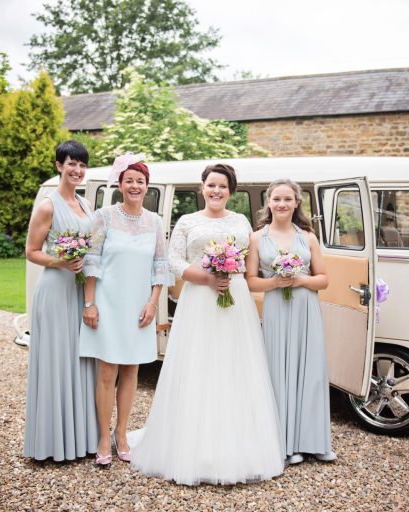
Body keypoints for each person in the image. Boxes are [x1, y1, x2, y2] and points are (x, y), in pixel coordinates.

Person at [130, 163, 284, 485]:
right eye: (212, 185)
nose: (217, 191)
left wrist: (231, 273)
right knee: (199, 365)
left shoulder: (241, 221)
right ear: (202, 188)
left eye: (223, 187)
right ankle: (193, 449)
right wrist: (208, 277)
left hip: (235, 299)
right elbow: (174, 260)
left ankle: (239, 446)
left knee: (235, 366)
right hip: (199, 299)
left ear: (231, 191)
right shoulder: (187, 221)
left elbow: (246, 259)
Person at [79, 154, 172, 467]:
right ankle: (104, 437)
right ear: (120, 184)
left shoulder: (155, 222)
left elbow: (160, 266)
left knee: (132, 371)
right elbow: (90, 261)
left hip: (139, 307)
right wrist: (90, 303)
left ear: (147, 187)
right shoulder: (104, 217)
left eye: (140, 181)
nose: (135, 185)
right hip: (107, 304)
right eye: (129, 180)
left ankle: (122, 434)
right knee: (107, 372)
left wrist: (152, 303)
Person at [245, 179, 336, 465]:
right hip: (276, 309)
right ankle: (286, 445)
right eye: (276, 199)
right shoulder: (257, 238)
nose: (282, 204)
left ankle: (315, 441)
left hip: (306, 309)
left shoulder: (308, 237)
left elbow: (323, 279)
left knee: (311, 372)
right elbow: (250, 282)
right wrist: (275, 282)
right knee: (279, 373)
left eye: (288, 199)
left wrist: (299, 279)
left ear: (297, 202)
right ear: (268, 203)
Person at [23, 140, 98, 461]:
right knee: (56, 361)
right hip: (55, 291)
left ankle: (81, 439)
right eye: (71, 164)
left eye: (82, 165)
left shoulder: (86, 205)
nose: (77, 170)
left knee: (81, 361)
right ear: (59, 166)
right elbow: (31, 251)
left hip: (79, 290)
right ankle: (52, 443)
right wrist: (60, 261)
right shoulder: (48, 206)